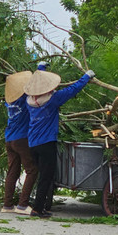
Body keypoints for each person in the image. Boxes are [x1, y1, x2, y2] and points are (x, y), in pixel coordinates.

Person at [24, 66, 94, 218]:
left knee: (43, 176)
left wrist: (40, 69)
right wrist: (86, 77)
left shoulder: (28, 100)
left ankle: (41, 206)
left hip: (32, 144)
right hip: (46, 143)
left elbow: (37, 84)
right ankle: (37, 209)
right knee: (46, 177)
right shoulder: (52, 100)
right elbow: (72, 90)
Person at [1, 71, 38, 215]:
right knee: (32, 169)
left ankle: (7, 205)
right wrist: (40, 70)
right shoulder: (25, 99)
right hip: (22, 139)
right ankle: (22, 205)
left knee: (12, 172)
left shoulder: (8, 101)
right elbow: (35, 86)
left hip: (9, 139)